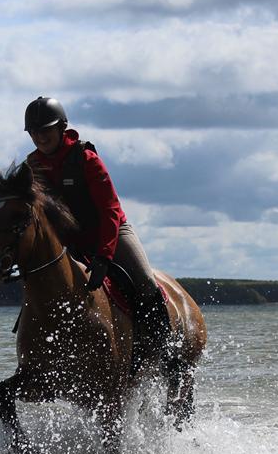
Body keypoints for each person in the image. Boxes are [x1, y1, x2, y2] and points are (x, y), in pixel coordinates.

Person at [23, 95, 171, 371]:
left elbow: (110, 210)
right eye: (34, 132)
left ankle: (165, 352)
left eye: (45, 130)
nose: (40, 137)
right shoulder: (32, 167)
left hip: (111, 230)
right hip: (69, 239)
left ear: (61, 128)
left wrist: (104, 256)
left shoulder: (86, 158)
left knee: (145, 282)